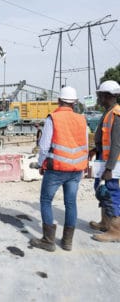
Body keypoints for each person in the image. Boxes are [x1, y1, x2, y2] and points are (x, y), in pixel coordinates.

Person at [30, 86, 88, 252]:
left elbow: (44, 146)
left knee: (46, 200)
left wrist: (42, 164)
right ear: (75, 102)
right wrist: (82, 167)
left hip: (56, 169)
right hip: (76, 169)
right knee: (70, 203)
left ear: (58, 101)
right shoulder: (82, 119)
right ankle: (68, 242)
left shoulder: (53, 118)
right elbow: (84, 144)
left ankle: (49, 241)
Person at [88, 80, 120, 242]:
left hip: (113, 163)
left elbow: (116, 144)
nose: (98, 98)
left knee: (111, 193)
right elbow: (104, 138)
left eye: (99, 95)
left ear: (107, 95)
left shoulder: (116, 114)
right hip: (104, 159)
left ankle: (116, 230)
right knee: (101, 190)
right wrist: (95, 149)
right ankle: (105, 223)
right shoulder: (108, 111)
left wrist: (109, 168)